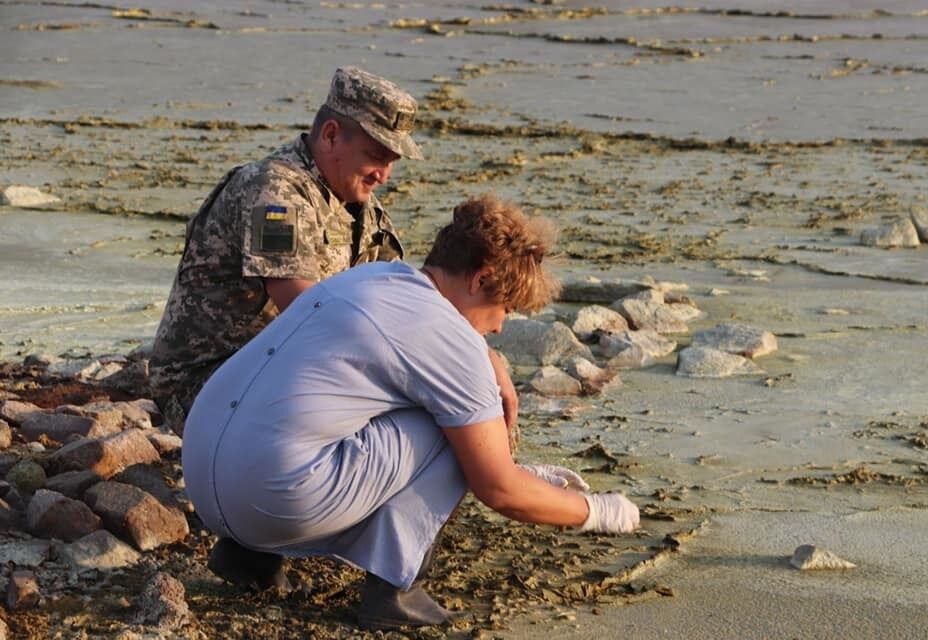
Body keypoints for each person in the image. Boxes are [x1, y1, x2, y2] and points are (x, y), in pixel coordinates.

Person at [182, 194, 640, 630]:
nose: (500, 326)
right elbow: (499, 489)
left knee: (330, 409)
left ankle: (249, 558)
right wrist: (597, 511)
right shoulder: (450, 340)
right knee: (459, 428)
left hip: (203, 477)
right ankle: (395, 592)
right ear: (479, 280)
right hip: (272, 499)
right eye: (505, 308)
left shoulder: (371, 277)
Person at [150, 66, 415, 434]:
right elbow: (306, 309)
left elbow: (403, 303)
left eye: (392, 163)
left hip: (282, 369)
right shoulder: (272, 191)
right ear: (331, 135)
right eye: (376, 156)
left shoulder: (364, 208)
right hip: (210, 383)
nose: (383, 175)